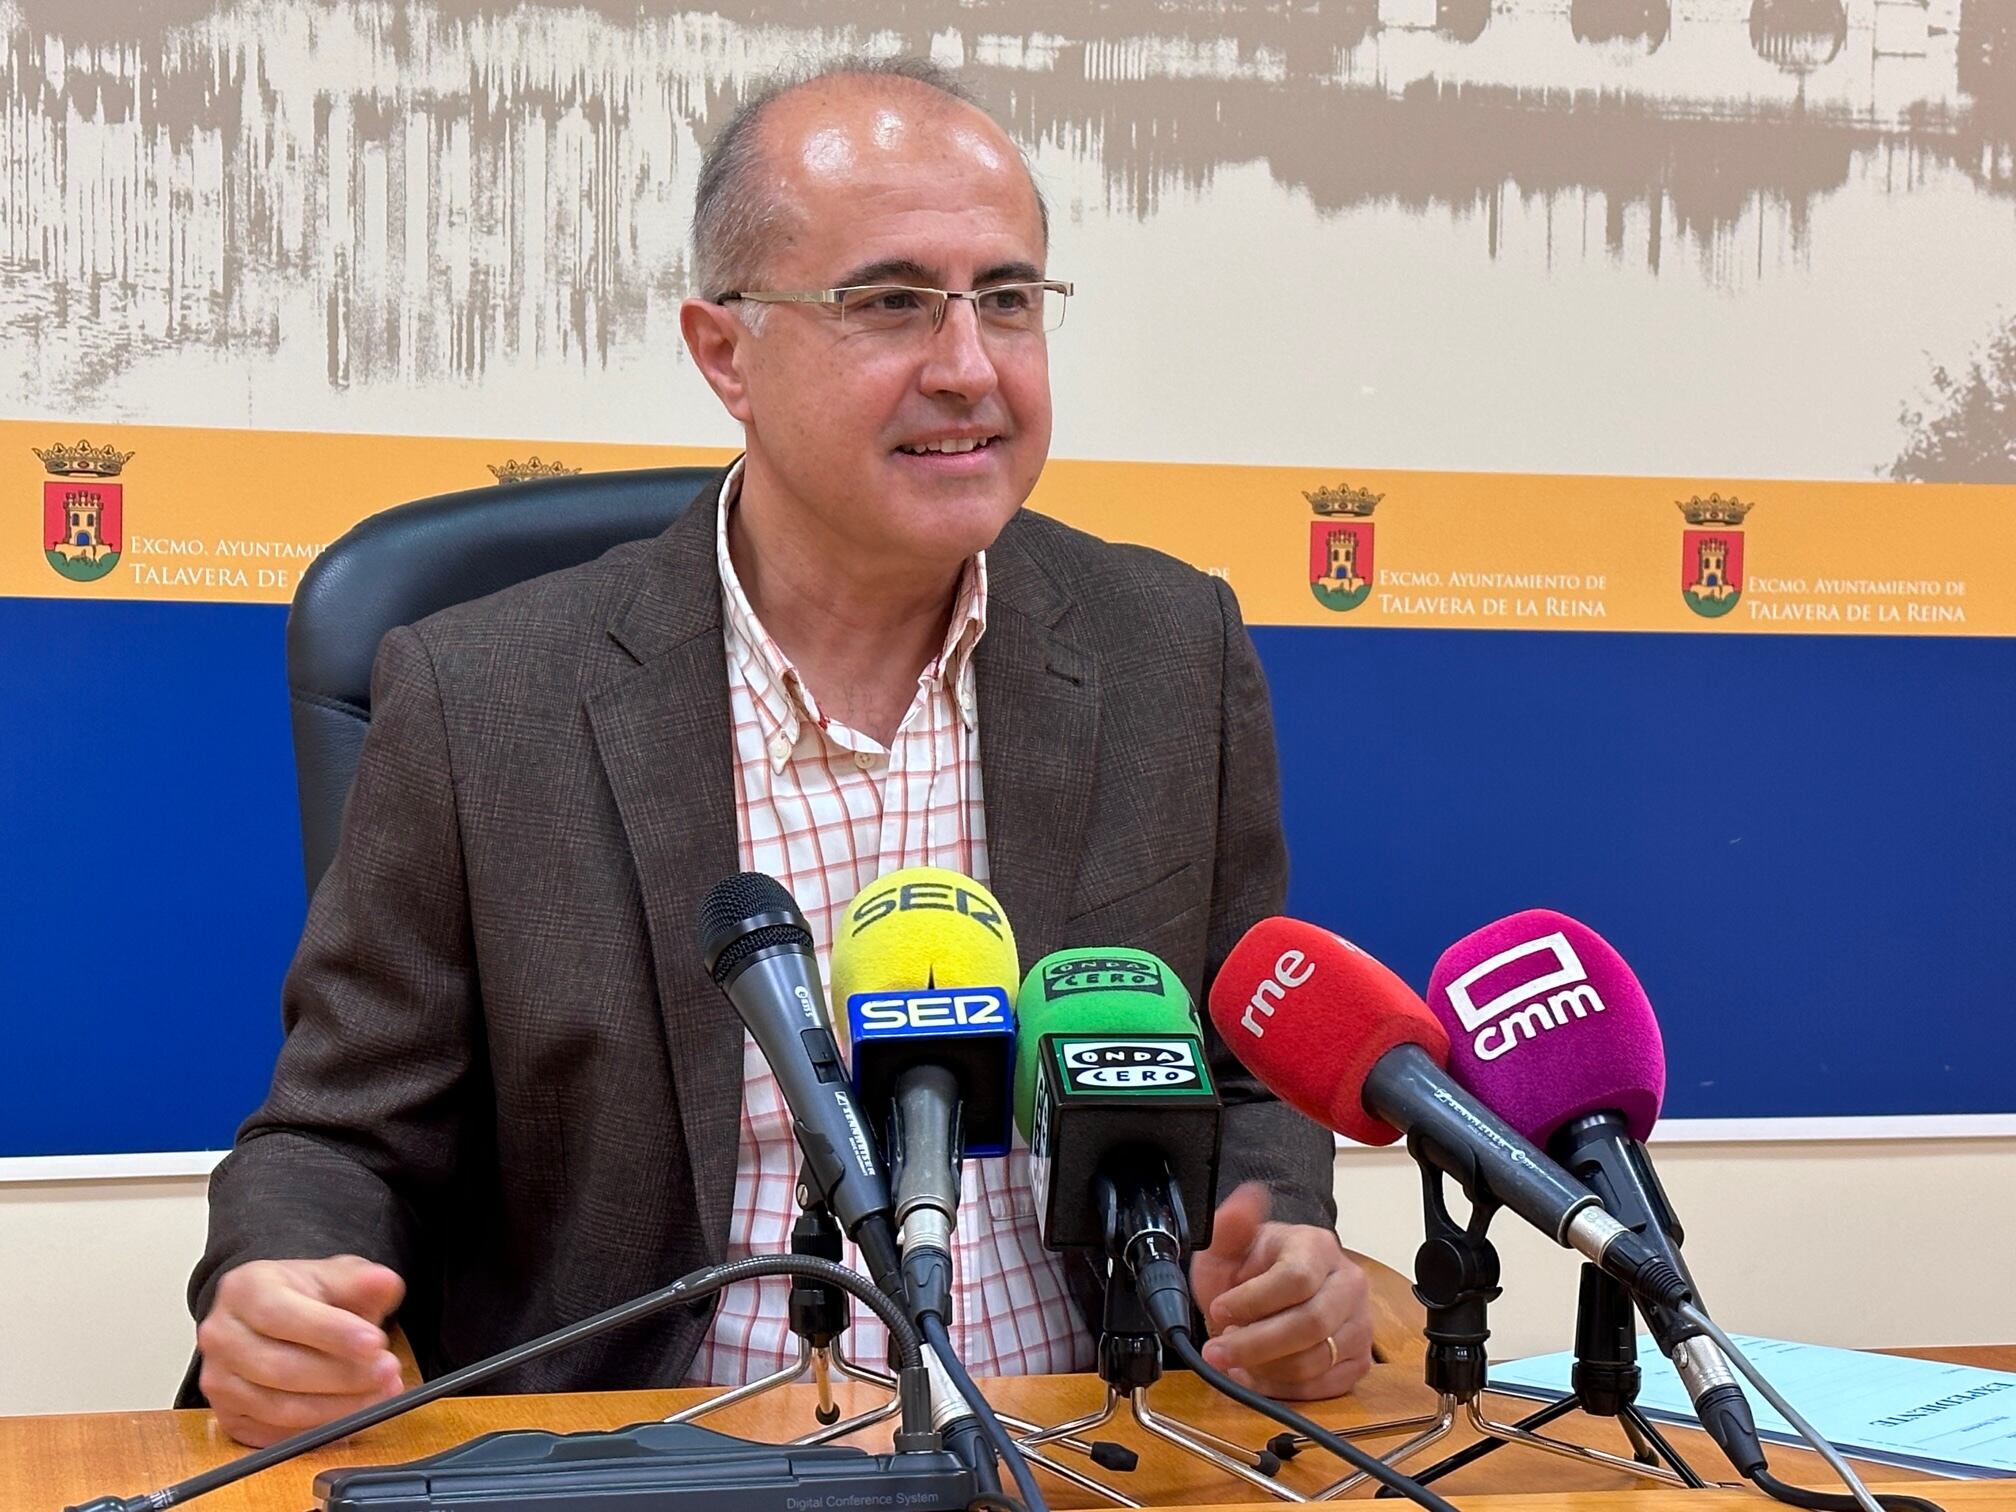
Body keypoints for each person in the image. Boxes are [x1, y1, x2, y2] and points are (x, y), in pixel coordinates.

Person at [184, 58, 1374, 1449]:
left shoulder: (1169, 649)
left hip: (1093, 1445)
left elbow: (1244, 1065)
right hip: (656, 1461)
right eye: (889, 303)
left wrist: (1287, 1249)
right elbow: (335, 1139)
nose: (969, 367)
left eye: (1007, 298)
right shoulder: (483, 697)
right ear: (724, 351)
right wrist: (275, 1286)